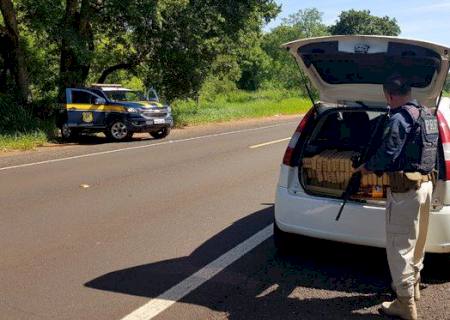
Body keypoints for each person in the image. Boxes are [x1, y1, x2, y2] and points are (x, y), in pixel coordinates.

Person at [355, 74, 438, 320]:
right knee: (417, 243)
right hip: (426, 186)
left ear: (389, 95)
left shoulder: (400, 118)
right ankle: (412, 287)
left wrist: (366, 168)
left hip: (406, 190)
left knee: (399, 246)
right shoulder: (427, 115)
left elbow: (388, 153)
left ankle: (405, 304)